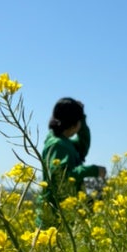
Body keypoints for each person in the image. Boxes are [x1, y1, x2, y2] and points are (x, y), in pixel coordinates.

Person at [36, 97, 106, 226]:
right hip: (55, 215)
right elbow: (61, 176)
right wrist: (94, 170)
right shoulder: (59, 145)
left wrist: (82, 118)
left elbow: (83, 145)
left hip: (62, 212)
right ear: (74, 125)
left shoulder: (60, 140)